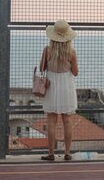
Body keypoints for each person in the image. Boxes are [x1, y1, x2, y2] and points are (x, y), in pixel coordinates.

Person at [39, 20, 78, 161]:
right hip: (66, 86)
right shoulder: (71, 52)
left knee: (51, 122)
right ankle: (67, 153)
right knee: (67, 121)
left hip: (52, 86)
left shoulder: (47, 50)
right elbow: (75, 72)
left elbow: (42, 68)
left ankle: (51, 154)